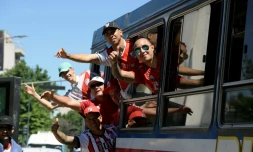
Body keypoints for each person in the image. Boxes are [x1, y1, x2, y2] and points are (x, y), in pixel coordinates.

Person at [55, 21, 139, 99]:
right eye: (107, 34)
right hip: (128, 97)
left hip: (145, 90)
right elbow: (88, 58)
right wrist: (67, 56)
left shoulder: (135, 45)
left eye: (113, 31)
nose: (111, 35)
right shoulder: (108, 54)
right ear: (105, 38)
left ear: (121, 32)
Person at [110, 37, 204, 94]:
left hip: (177, 87)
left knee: (203, 82)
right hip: (164, 100)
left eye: (145, 47)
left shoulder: (164, 57)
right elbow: (120, 75)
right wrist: (114, 63)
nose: (142, 51)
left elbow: (177, 68)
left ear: (152, 48)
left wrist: (203, 72)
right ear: (136, 55)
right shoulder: (141, 73)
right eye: (138, 50)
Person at [41, 76, 119, 125]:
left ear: (104, 86)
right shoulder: (89, 103)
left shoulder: (115, 96)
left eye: (99, 84)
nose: (96, 87)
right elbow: (69, 102)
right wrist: (53, 97)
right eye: (92, 86)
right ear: (90, 90)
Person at [24, 62, 97, 110]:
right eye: (63, 74)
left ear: (72, 70)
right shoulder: (70, 95)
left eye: (67, 71)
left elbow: (105, 80)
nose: (66, 75)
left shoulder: (87, 74)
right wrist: (34, 94)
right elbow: (51, 106)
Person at [51, 106, 118, 152]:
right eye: (89, 119)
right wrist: (55, 132)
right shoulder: (86, 138)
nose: (92, 121)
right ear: (85, 121)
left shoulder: (113, 130)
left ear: (100, 118)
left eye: (94, 118)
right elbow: (66, 139)